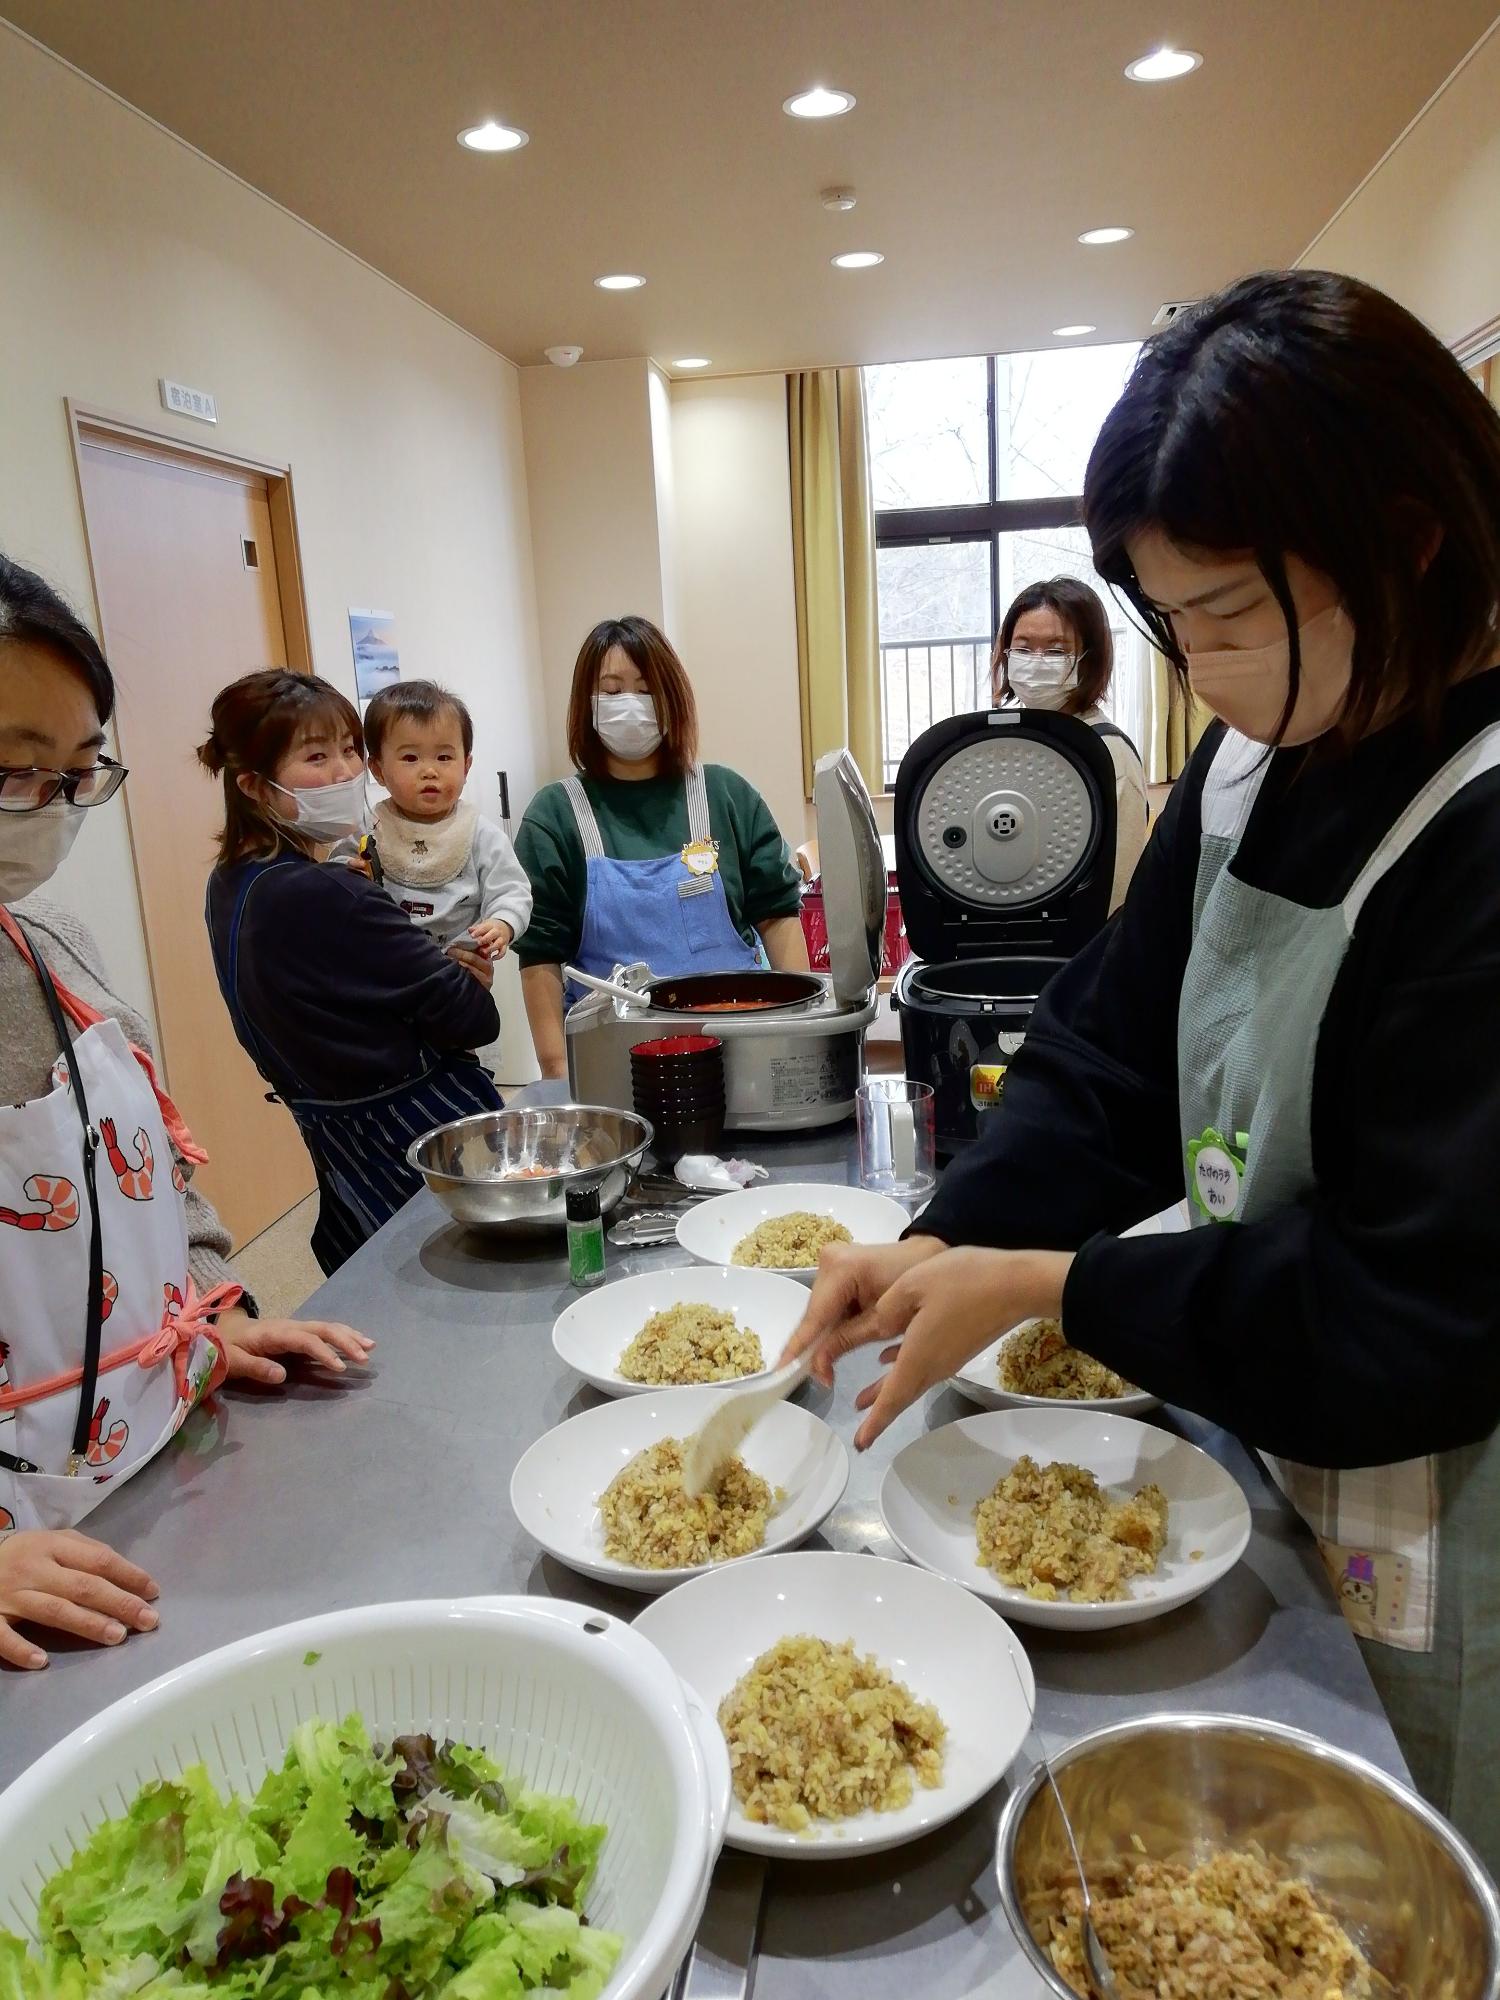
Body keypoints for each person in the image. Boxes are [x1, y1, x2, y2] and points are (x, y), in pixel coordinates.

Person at [787, 270, 1500, 1865]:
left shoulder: (1477, 819)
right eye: (1168, 622)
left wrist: (1057, 1284)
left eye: (1231, 613)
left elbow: (1415, 1306)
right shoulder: (1253, 765)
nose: (1197, 667)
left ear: (1411, 539)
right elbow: (1104, 1050)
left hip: (1440, 1478)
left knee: (1400, 1852)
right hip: (1264, 1411)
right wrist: (942, 1237)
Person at [0, 556, 370, 1672]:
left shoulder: (47, 944)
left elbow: (148, 1159)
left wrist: (213, 1310)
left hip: (149, 1489)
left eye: (78, 774)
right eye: (19, 772)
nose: (54, 813)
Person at [201, 670, 503, 1275]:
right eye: (316, 757)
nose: (344, 772)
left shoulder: (230, 883)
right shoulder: (331, 892)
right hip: (408, 1134)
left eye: (348, 749)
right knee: (461, 1283)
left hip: (336, 1135)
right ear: (254, 785)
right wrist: (458, 974)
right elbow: (473, 1019)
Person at [515, 616, 808, 1080]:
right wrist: (556, 1072)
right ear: (584, 705)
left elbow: (779, 914)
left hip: (742, 1049)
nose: (629, 704)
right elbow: (540, 956)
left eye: (646, 689)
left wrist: (801, 1034)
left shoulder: (727, 795)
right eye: (611, 692)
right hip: (612, 1062)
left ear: (673, 699)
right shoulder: (554, 815)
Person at [991, 576, 1148, 911]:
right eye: (1022, 648)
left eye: (1056, 650)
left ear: (1087, 659)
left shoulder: (1109, 755)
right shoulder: (1014, 743)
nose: (1035, 662)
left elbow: (1118, 893)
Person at [356, 680, 532, 959]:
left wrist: (503, 922)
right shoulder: (369, 826)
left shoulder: (478, 834)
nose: (429, 771)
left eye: (444, 757)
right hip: (385, 970)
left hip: (457, 972)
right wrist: (350, 872)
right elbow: (335, 876)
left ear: (466, 766)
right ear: (378, 769)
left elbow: (512, 889)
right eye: (411, 758)